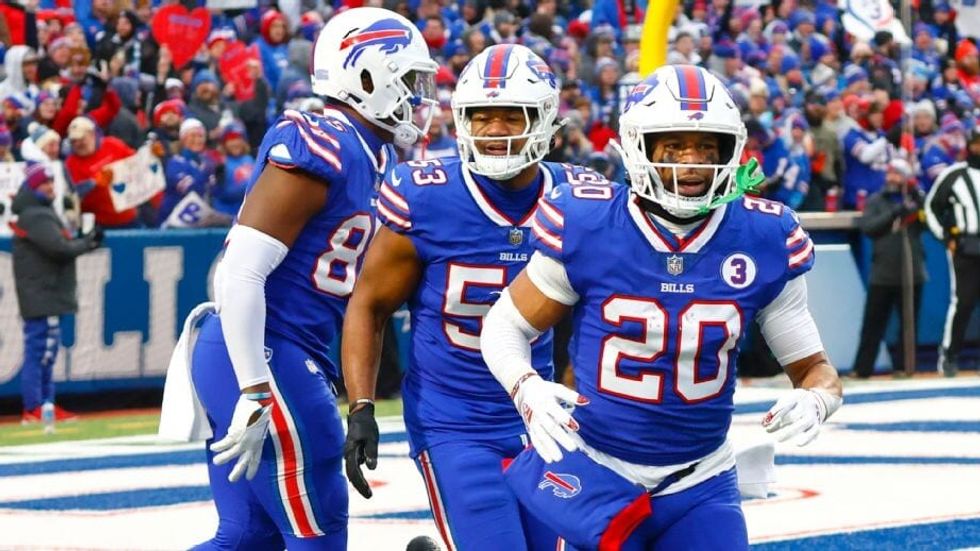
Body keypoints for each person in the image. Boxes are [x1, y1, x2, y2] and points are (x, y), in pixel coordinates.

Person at [480, 65, 843, 550]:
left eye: (706, 147)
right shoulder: (589, 222)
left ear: (730, 150)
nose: (691, 163)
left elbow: (816, 369)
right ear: (638, 147)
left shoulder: (764, 236)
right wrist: (525, 387)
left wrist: (816, 399)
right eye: (673, 147)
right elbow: (504, 325)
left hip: (701, 479)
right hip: (596, 470)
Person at [179, 8, 437, 549]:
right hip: (266, 354)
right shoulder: (321, 141)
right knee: (318, 533)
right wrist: (254, 388)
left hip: (264, 352)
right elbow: (240, 271)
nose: (418, 96)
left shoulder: (377, 155)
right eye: (409, 81)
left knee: (248, 537)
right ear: (367, 76)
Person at [342, 44, 604, 550]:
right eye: (480, 117)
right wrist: (361, 406)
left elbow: (595, 313)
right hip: (452, 419)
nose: (493, 130)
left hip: (540, 413)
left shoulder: (578, 199)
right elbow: (370, 304)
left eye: (511, 116)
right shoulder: (426, 196)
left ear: (545, 120)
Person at [11, 162, 102, 430]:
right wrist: (89, 243)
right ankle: (35, 407)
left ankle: (45, 405)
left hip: (44, 293)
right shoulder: (36, 214)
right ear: (32, 187)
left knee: (46, 354)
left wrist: (82, 239)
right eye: (43, 183)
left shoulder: (37, 212)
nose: (50, 187)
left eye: (51, 182)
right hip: (43, 294)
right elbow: (58, 248)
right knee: (40, 353)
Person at [851, 159, 927, 378]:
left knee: (909, 325)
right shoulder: (877, 200)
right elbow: (869, 227)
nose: (891, 178)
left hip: (912, 271)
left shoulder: (915, 200)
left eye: (897, 174)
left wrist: (920, 205)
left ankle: (905, 367)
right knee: (872, 324)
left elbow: (927, 225)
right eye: (890, 173)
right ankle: (862, 369)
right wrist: (895, 212)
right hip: (883, 272)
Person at [924, 127, 980, 377]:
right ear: (970, 145)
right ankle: (949, 355)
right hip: (965, 246)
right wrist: (946, 237)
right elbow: (931, 207)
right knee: (963, 302)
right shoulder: (954, 174)